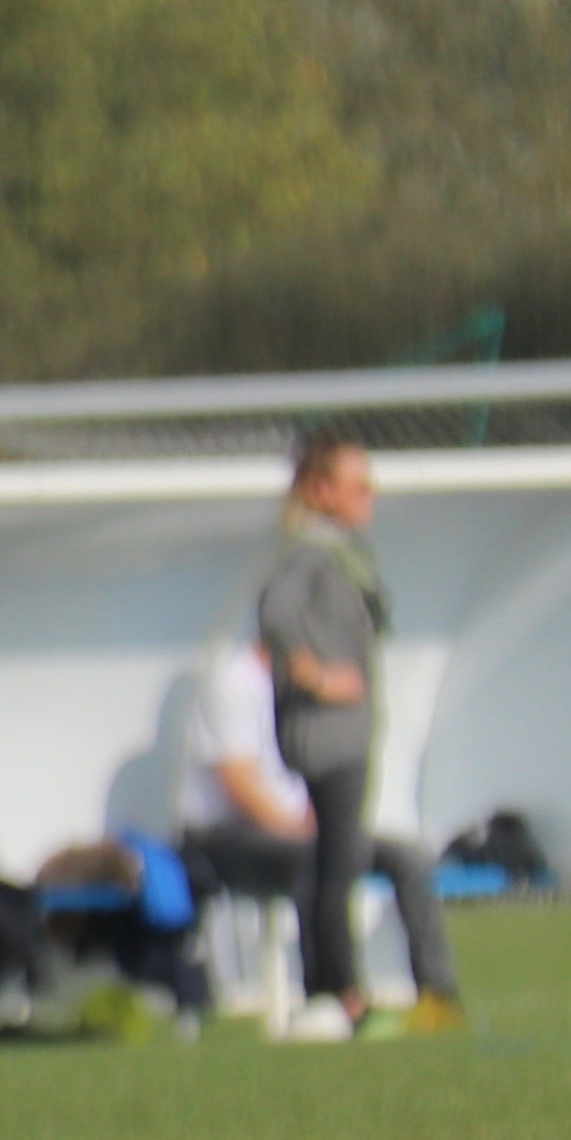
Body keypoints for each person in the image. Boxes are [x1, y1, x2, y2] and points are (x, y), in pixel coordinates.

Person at [177, 631, 461, 1036]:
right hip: (224, 838)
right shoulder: (234, 684)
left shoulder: (301, 693)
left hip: (294, 832)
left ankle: (438, 998)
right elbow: (240, 786)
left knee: (408, 859)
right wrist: (308, 829)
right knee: (314, 859)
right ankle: (335, 998)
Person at [250, 430, 408, 1039]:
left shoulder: (339, 553)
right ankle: (342, 994)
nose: (369, 495)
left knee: (328, 863)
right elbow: (275, 612)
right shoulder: (311, 553)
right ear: (321, 490)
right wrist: (315, 676)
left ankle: (328, 993)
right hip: (329, 735)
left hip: (342, 731)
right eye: (357, 485)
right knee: (339, 864)